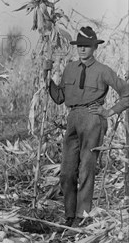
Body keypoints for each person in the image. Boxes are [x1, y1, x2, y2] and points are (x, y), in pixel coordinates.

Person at [44, 26, 129, 226]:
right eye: (79, 45)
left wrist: (109, 111)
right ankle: (69, 215)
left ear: (94, 48)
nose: (82, 49)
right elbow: (58, 97)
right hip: (73, 118)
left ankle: (82, 217)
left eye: (87, 46)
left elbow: (126, 93)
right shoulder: (70, 68)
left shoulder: (103, 70)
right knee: (66, 171)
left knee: (86, 169)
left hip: (93, 119)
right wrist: (47, 76)